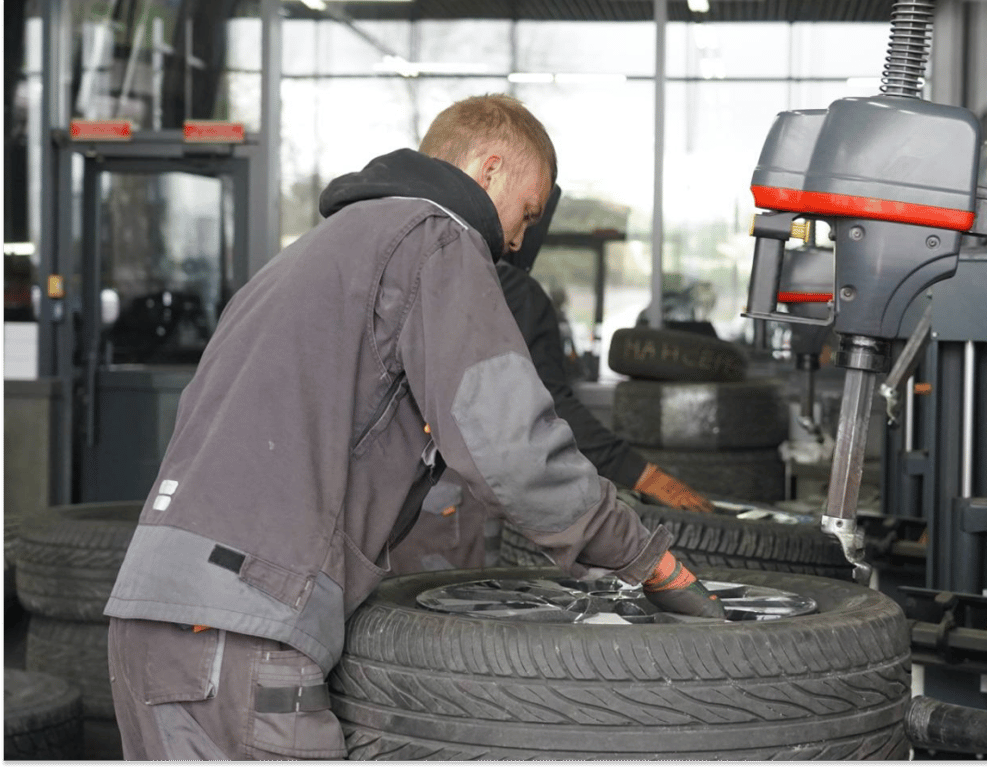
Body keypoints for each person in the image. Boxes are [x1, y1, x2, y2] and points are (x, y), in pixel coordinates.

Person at [102, 94, 724, 761]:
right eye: (529, 213)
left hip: (156, 618)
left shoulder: (308, 256)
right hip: (242, 632)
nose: (517, 240)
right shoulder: (436, 240)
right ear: (489, 172)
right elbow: (513, 450)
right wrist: (646, 559)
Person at [390, 183, 713, 573]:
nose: (524, 236)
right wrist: (643, 475)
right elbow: (550, 408)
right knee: (463, 624)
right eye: (528, 216)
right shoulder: (513, 290)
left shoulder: (410, 267)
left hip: (401, 503)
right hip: (460, 504)